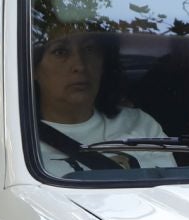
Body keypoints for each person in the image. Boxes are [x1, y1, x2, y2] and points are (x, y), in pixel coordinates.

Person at [30, 28, 175, 171]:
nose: (80, 65)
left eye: (89, 49)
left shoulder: (140, 124)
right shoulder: (18, 138)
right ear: (33, 68)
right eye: (60, 52)